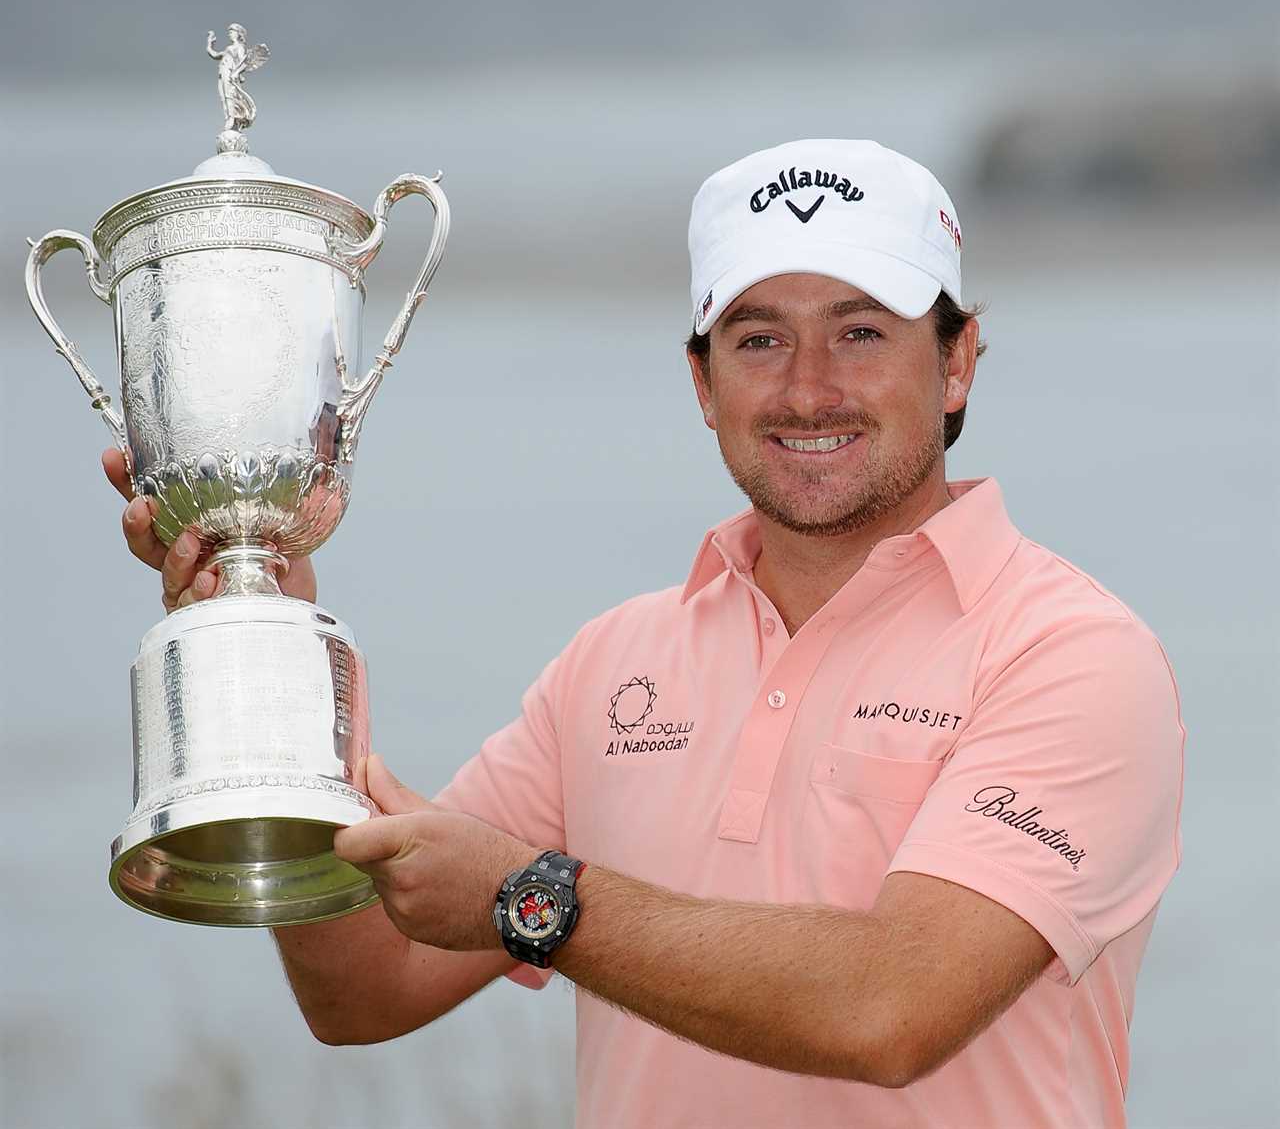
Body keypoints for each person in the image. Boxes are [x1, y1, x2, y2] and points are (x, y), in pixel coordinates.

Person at [104, 138, 1185, 1128]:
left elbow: (891, 1007)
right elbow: (364, 987)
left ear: (955, 362)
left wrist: (533, 898)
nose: (807, 389)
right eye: (757, 338)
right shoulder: (613, 665)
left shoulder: (1069, 654)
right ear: (700, 383)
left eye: (860, 332)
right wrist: (271, 643)